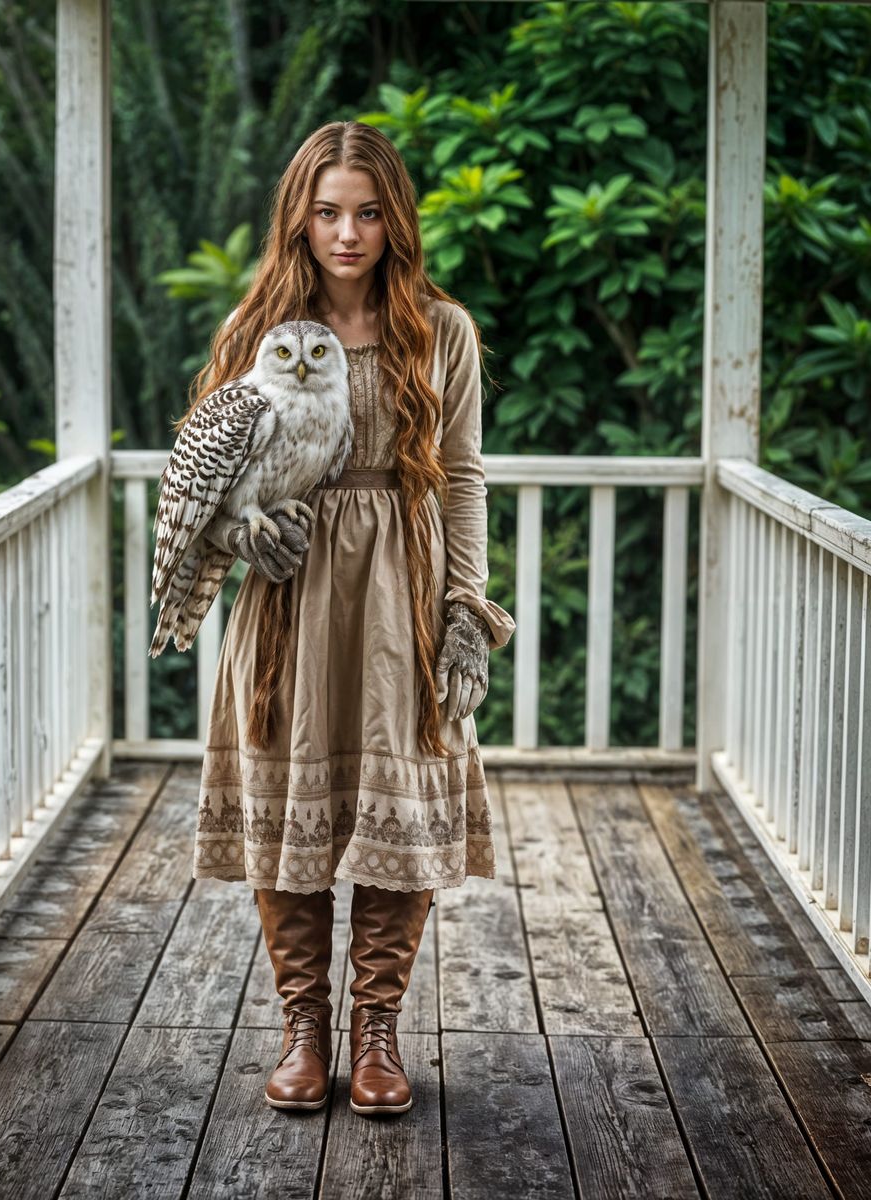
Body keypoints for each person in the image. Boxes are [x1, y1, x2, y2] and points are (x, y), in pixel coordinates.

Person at [182, 121, 515, 1116]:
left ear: (394, 218)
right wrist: (243, 537)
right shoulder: (256, 329)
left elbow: (460, 476)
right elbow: (210, 474)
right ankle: (301, 1031)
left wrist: (468, 606)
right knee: (292, 808)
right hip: (287, 596)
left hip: (398, 594)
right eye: (327, 212)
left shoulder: (438, 328)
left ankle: (374, 1033)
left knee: (395, 811)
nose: (347, 232)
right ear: (300, 217)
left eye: (367, 212)